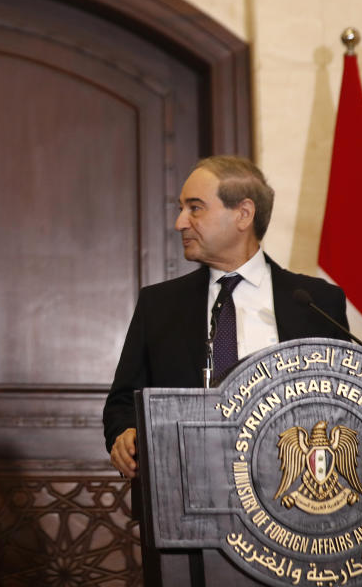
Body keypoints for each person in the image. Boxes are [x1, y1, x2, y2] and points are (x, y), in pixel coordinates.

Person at [103, 155, 347, 478]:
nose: (180, 223)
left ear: (243, 214)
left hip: (294, 492)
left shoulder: (316, 303)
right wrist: (125, 434)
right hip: (189, 491)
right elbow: (122, 403)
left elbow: (345, 402)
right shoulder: (158, 305)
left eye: (195, 208)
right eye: (181, 209)